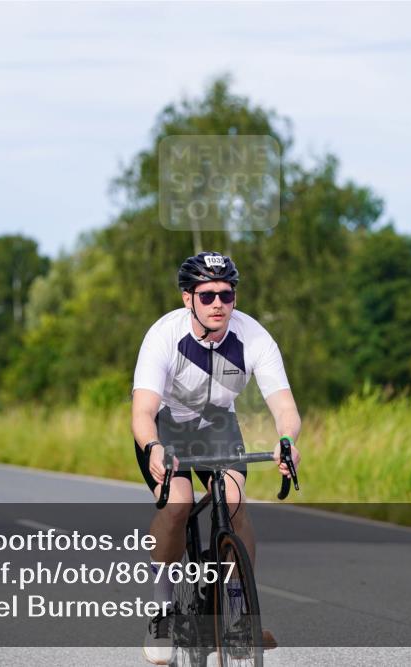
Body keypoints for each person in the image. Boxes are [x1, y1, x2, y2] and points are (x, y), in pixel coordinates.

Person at [132, 251, 302, 664]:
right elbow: (142, 410)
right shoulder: (164, 336)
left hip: (217, 426)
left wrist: (286, 439)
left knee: (235, 499)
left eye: (226, 294)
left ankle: (240, 610)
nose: (218, 304)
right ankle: (163, 610)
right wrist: (153, 447)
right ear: (188, 298)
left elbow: (285, 406)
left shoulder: (254, 338)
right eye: (207, 296)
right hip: (166, 426)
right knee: (178, 504)